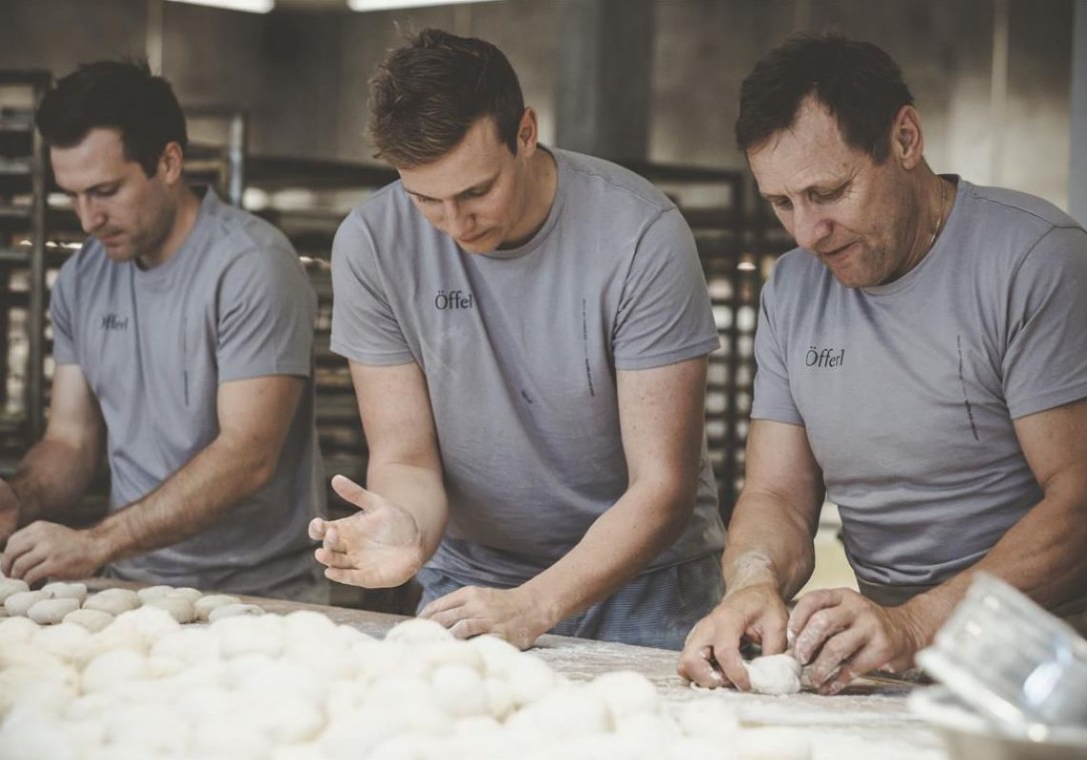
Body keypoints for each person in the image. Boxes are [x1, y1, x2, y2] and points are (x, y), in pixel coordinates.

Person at [679, 34, 1087, 694]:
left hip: (1053, 662)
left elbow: (1080, 503)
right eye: (782, 204)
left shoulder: (1035, 261)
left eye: (829, 192)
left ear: (904, 139)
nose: (807, 234)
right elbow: (777, 496)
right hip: (895, 661)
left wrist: (919, 624)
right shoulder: (792, 290)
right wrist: (753, 581)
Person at [310, 28, 726, 650]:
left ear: (525, 133)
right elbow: (406, 456)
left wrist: (536, 605)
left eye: (476, 191)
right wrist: (411, 530)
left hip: (647, 585)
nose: (454, 224)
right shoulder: (372, 244)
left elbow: (663, 487)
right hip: (471, 579)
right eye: (425, 198)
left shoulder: (640, 236)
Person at [0, 61, 325, 598]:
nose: (87, 219)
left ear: (169, 162)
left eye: (104, 190)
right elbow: (70, 440)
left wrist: (96, 543)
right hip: (133, 586)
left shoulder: (251, 265)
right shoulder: (82, 278)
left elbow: (249, 455)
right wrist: (21, 497)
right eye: (72, 195)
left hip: (260, 592)